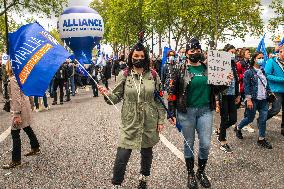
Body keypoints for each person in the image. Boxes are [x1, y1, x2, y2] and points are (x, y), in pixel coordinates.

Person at [98, 41, 166, 189]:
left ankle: (144, 178)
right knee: (122, 154)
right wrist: (106, 94)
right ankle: (116, 183)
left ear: (146, 57)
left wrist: (161, 120)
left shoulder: (153, 75)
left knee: (147, 152)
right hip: (130, 120)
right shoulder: (125, 74)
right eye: (136, 56)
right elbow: (114, 98)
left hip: (149, 120)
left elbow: (159, 100)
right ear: (131, 57)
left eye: (141, 56)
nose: (138, 58)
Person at [168, 38, 232, 189]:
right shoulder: (179, 69)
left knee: (205, 143)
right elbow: (172, 92)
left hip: (205, 111)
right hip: (186, 112)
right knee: (188, 144)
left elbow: (215, 90)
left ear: (201, 52)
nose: (195, 53)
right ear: (187, 53)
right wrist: (171, 111)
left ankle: (201, 172)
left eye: (198, 50)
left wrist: (225, 82)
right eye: (192, 51)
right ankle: (190, 173)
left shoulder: (208, 69)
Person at [2, 61, 40, 169]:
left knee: (15, 133)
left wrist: (17, 114)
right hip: (26, 106)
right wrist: (32, 104)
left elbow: (16, 98)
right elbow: (29, 91)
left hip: (20, 109)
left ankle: (16, 160)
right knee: (27, 127)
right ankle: (35, 147)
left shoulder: (13, 79)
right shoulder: (22, 76)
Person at [235, 52, 273, 149]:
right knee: (250, 118)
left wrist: (270, 93)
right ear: (254, 59)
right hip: (253, 99)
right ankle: (238, 128)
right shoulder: (248, 72)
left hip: (264, 99)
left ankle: (261, 139)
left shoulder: (263, 71)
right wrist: (249, 100)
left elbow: (266, 84)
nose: (262, 59)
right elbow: (246, 86)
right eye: (259, 58)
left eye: (262, 58)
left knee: (263, 120)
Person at [216, 44, 240, 153]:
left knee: (234, 119)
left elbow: (236, 81)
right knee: (224, 118)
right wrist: (216, 100)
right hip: (223, 95)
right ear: (225, 53)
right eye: (231, 52)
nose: (233, 54)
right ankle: (222, 140)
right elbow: (215, 84)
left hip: (232, 95)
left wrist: (238, 94)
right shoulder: (219, 64)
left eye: (234, 52)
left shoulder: (234, 65)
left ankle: (220, 130)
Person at [265, 44, 284, 136]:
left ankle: (283, 129)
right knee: (276, 109)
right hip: (276, 90)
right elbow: (267, 75)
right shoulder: (272, 61)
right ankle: (262, 120)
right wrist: (282, 79)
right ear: (280, 52)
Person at [236, 48, 255, 133]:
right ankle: (243, 124)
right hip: (243, 87)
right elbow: (236, 76)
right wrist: (245, 75)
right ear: (243, 54)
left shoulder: (249, 63)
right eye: (248, 52)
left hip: (250, 87)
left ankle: (244, 123)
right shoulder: (239, 64)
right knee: (247, 105)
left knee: (248, 106)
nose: (250, 54)